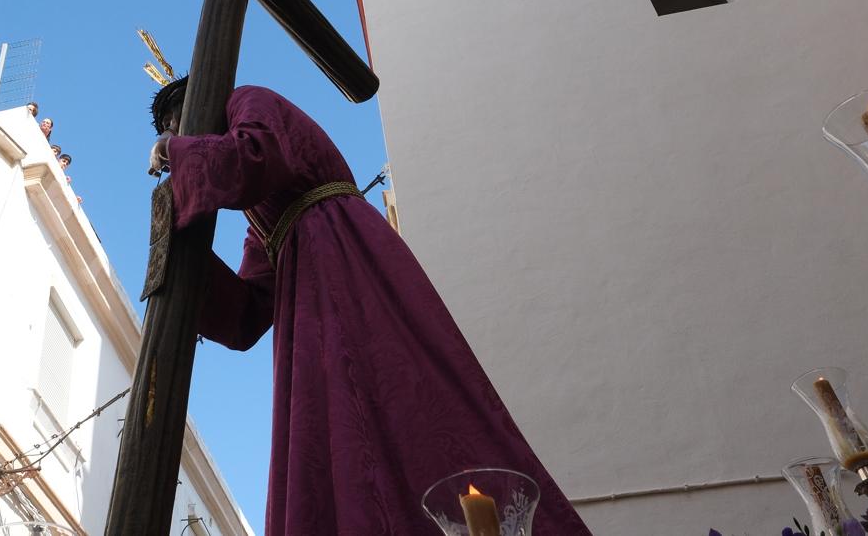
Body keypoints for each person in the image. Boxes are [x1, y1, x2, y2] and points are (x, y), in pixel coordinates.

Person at [146, 78, 592, 536]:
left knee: (395, 386)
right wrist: (189, 263)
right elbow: (250, 310)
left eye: (174, 121)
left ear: (199, 100)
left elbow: (256, 155)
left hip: (344, 250)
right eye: (167, 129)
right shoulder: (267, 218)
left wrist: (178, 153)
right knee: (334, 426)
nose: (173, 132)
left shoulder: (247, 100)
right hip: (307, 293)